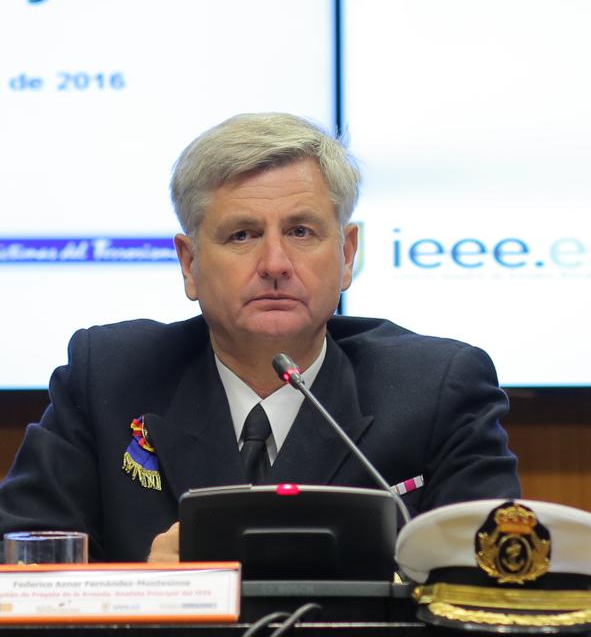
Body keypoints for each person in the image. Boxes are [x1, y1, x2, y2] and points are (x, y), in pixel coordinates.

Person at [0, 113, 520, 562]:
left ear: (345, 255)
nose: (275, 265)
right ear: (190, 264)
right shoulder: (108, 377)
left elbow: (489, 577)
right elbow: (19, 556)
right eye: (242, 235)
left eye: (301, 232)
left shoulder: (436, 388)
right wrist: (144, 589)